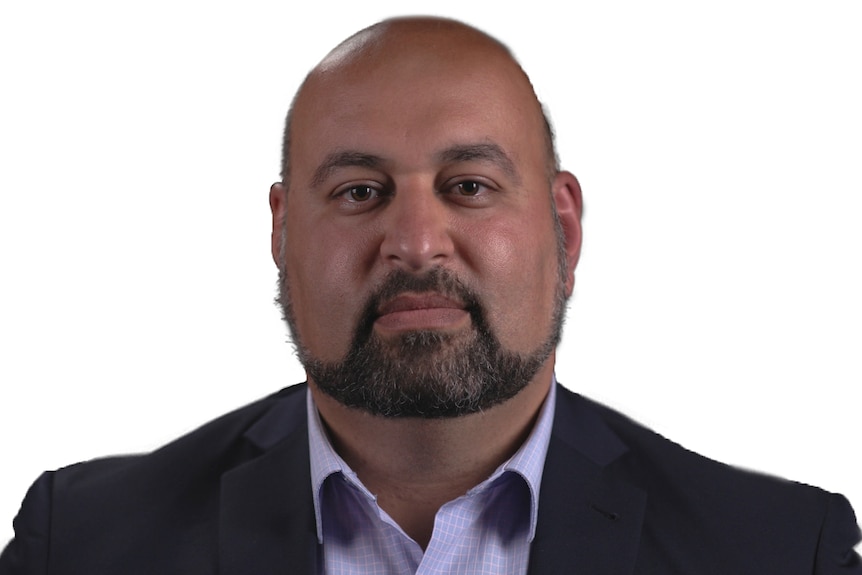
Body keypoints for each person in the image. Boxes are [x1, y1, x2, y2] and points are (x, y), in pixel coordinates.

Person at [1, 15, 859, 575]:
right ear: (280, 232)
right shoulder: (78, 548)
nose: (414, 243)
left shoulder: (780, 552)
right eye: (359, 192)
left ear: (564, 226)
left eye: (470, 185)